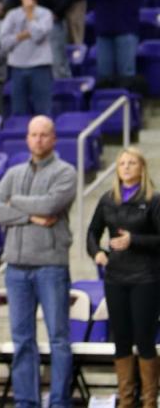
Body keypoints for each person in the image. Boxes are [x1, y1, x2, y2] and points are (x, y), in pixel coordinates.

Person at [0, 115, 76, 408]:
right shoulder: (13, 173)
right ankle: (26, 402)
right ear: (27, 138)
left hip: (51, 266)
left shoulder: (66, 172)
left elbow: (51, 205)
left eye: (43, 135)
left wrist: (16, 202)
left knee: (59, 339)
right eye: (33, 134)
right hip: (16, 268)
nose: (37, 139)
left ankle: (60, 402)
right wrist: (30, 215)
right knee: (22, 339)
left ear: (53, 139)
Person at [87, 147, 160, 408]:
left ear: (142, 168)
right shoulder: (108, 199)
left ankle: (150, 401)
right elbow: (92, 233)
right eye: (122, 163)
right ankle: (126, 401)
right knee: (121, 340)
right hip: (116, 277)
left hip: (146, 277)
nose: (126, 167)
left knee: (144, 339)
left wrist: (134, 240)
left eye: (132, 163)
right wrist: (97, 253)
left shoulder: (153, 200)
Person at [0, 0, 53, 116]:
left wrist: (30, 14)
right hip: (17, 68)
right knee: (18, 111)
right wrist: (22, 35)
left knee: (43, 111)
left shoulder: (46, 14)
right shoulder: (11, 15)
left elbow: (38, 36)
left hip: (40, 66)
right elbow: (4, 42)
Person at [84, 0, 139, 88]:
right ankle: (106, 103)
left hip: (125, 26)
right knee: (104, 76)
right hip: (103, 27)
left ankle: (127, 103)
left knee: (126, 75)